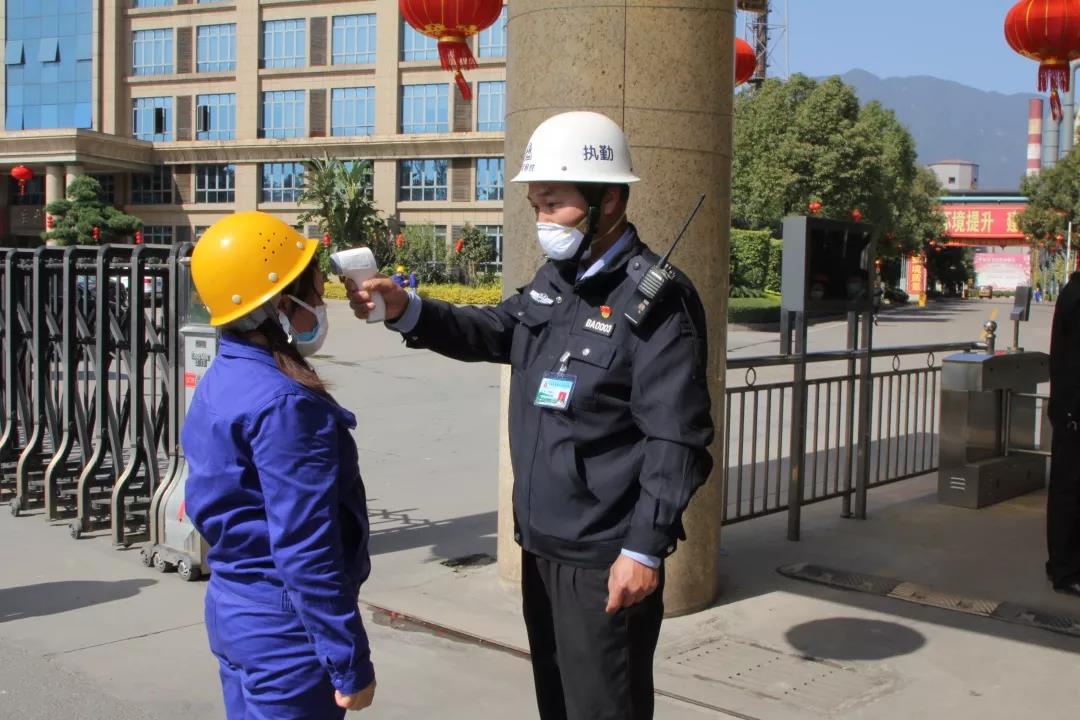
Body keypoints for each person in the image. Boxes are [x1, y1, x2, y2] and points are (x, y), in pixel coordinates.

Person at [348, 111, 714, 720]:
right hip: (541, 545)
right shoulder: (558, 280)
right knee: (558, 704)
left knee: (604, 709)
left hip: (604, 557)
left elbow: (677, 438)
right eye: (535, 205)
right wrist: (406, 308)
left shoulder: (656, 301)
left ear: (609, 200)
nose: (542, 220)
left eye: (554, 204)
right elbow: (497, 328)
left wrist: (645, 550)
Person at [182, 211, 377, 718]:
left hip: (235, 609)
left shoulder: (224, 375)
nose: (321, 302)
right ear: (280, 304)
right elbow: (305, 547)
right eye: (314, 291)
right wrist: (348, 660)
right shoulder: (285, 404)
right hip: (286, 631)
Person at [1048, 269, 1080, 597]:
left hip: (1069, 409)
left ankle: (1062, 563)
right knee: (1069, 492)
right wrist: (1072, 412)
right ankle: (1065, 569)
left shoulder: (1073, 291)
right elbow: (1072, 362)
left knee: (1068, 490)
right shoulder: (1077, 297)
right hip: (1073, 413)